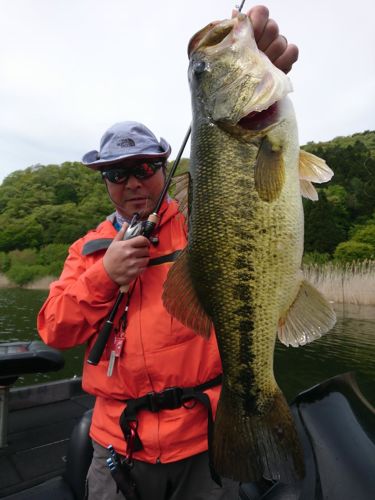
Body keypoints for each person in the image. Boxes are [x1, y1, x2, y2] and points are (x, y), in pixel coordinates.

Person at [37, 5, 299, 500]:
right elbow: (53, 327)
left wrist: (260, 78)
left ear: (165, 165)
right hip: (117, 447)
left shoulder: (196, 224)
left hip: (201, 441)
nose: (133, 183)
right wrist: (104, 276)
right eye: (117, 173)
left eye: (144, 168)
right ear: (104, 183)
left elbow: (247, 195)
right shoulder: (88, 250)